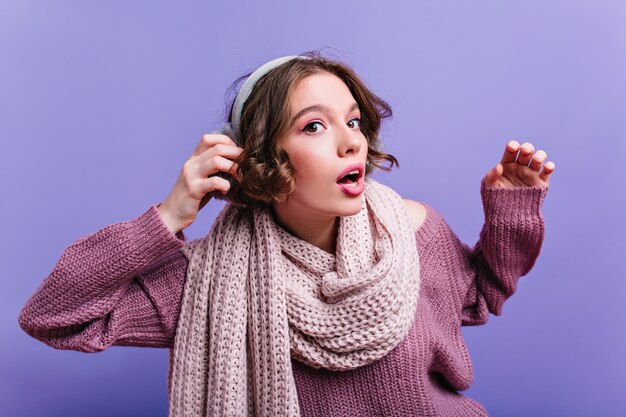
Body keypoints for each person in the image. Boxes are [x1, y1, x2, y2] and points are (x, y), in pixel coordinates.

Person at [19, 52, 555, 417]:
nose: (351, 143)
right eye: (314, 126)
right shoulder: (207, 285)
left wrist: (511, 209)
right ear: (265, 158)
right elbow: (54, 317)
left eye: (353, 121)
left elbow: (482, 295)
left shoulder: (414, 233)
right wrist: (168, 216)